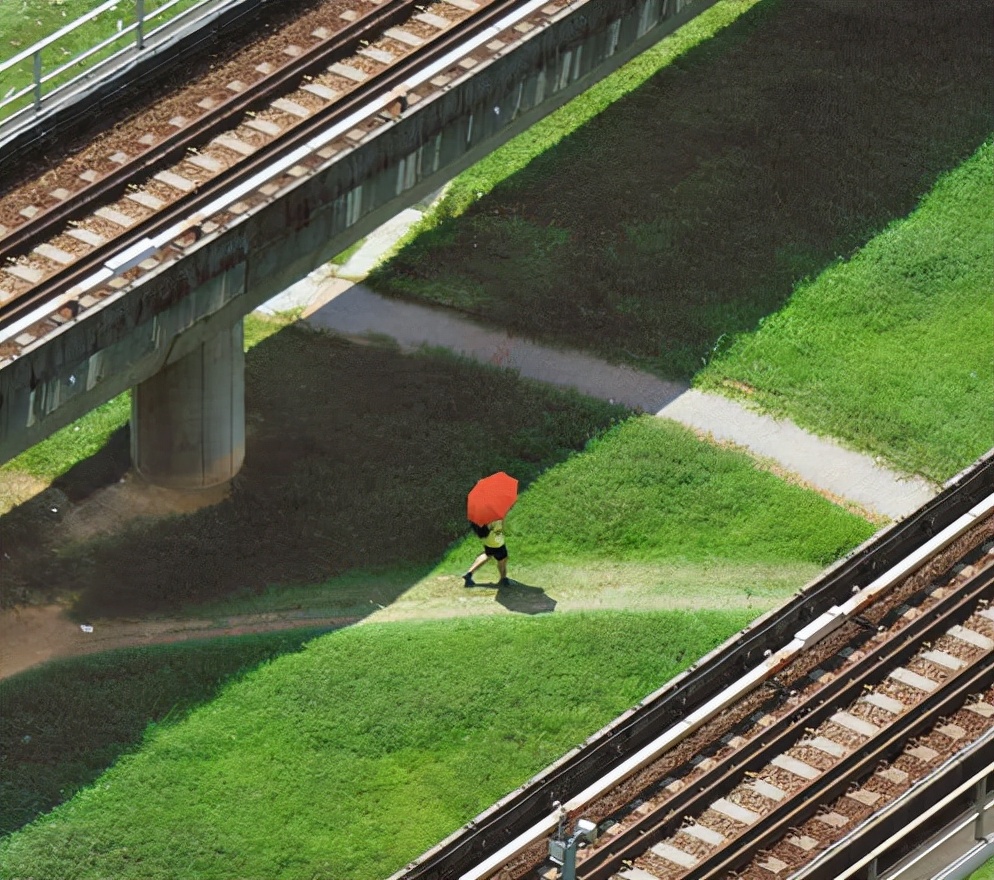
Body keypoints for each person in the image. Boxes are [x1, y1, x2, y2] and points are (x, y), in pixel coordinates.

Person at [463, 519, 510, 587]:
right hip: (496, 541)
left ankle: (469, 574)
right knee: (503, 558)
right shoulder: (494, 517)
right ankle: (503, 579)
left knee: (488, 554)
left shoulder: (482, 517)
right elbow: (499, 528)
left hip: (487, 540)